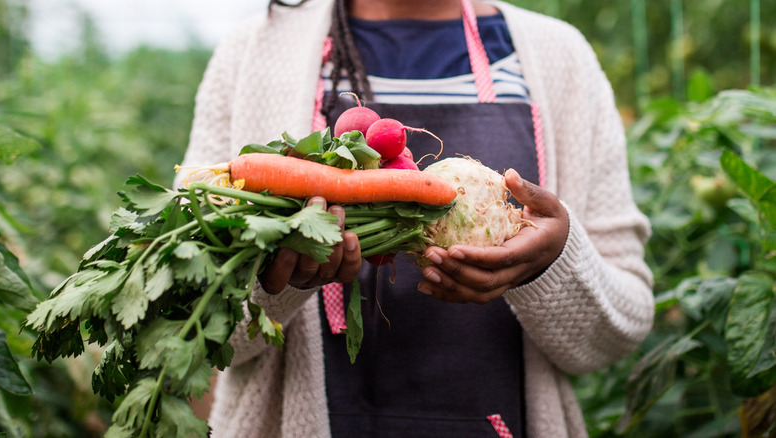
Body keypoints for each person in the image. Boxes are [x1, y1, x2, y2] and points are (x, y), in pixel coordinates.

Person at [176, 0, 655, 436]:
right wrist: (273, 286)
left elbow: (619, 334)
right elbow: (193, 326)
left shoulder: (558, 58)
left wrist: (552, 264)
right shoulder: (254, 51)